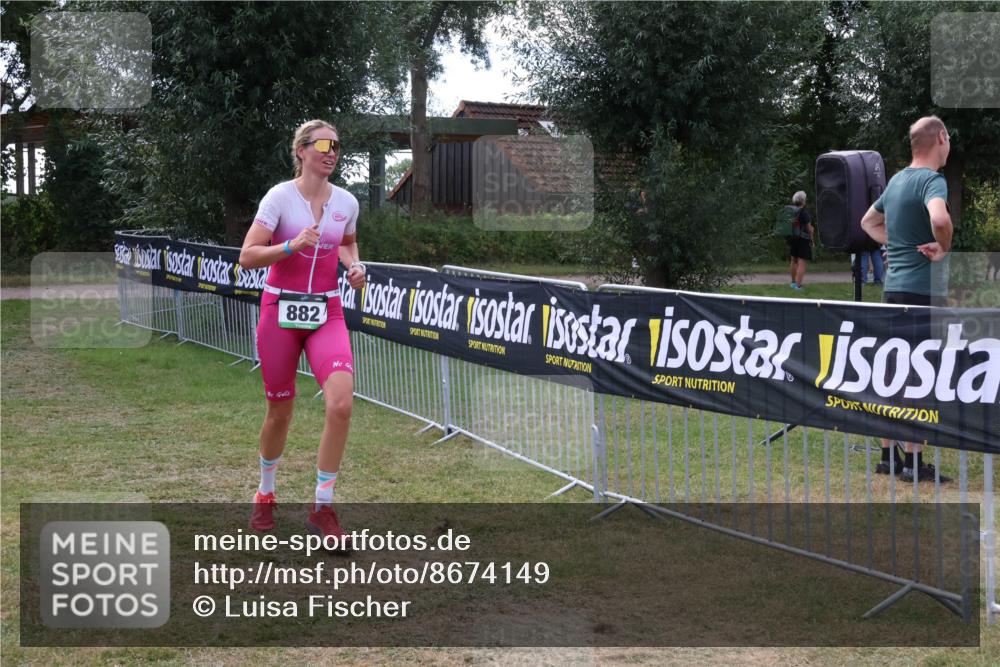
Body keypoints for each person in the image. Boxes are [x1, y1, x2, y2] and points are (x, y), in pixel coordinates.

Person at [239, 119, 367, 540]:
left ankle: (323, 508)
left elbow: (347, 242)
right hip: (279, 310)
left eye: (337, 145)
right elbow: (248, 256)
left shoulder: (346, 201)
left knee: (341, 404)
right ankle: (266, 493)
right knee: (280, 411)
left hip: (325, 312)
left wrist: (354, 266)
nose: (332, 152)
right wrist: (290, 245)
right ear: (302, 150)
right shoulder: (280, 197)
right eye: (324, 144)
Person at [860, 115, 953, 483]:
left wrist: (895, 245)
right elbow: (940, 220)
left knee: (893, 374)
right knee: (920, 376)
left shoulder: (897, 180)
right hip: (923, 292)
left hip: (893, 290)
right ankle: (914, 462)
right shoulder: (932, 181)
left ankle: (888, 456)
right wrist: (944, 247)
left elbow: (867, 222)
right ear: (941, 138)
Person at [786, 191, 815, 291]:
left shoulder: (791, 210)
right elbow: (809, 228)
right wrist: (812, 236)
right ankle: (798, 286)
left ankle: (793, 283)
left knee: (793, 260)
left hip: (793, 238)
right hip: (803, 239)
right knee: (802, 262)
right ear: (803, 200)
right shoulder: (804, 212)